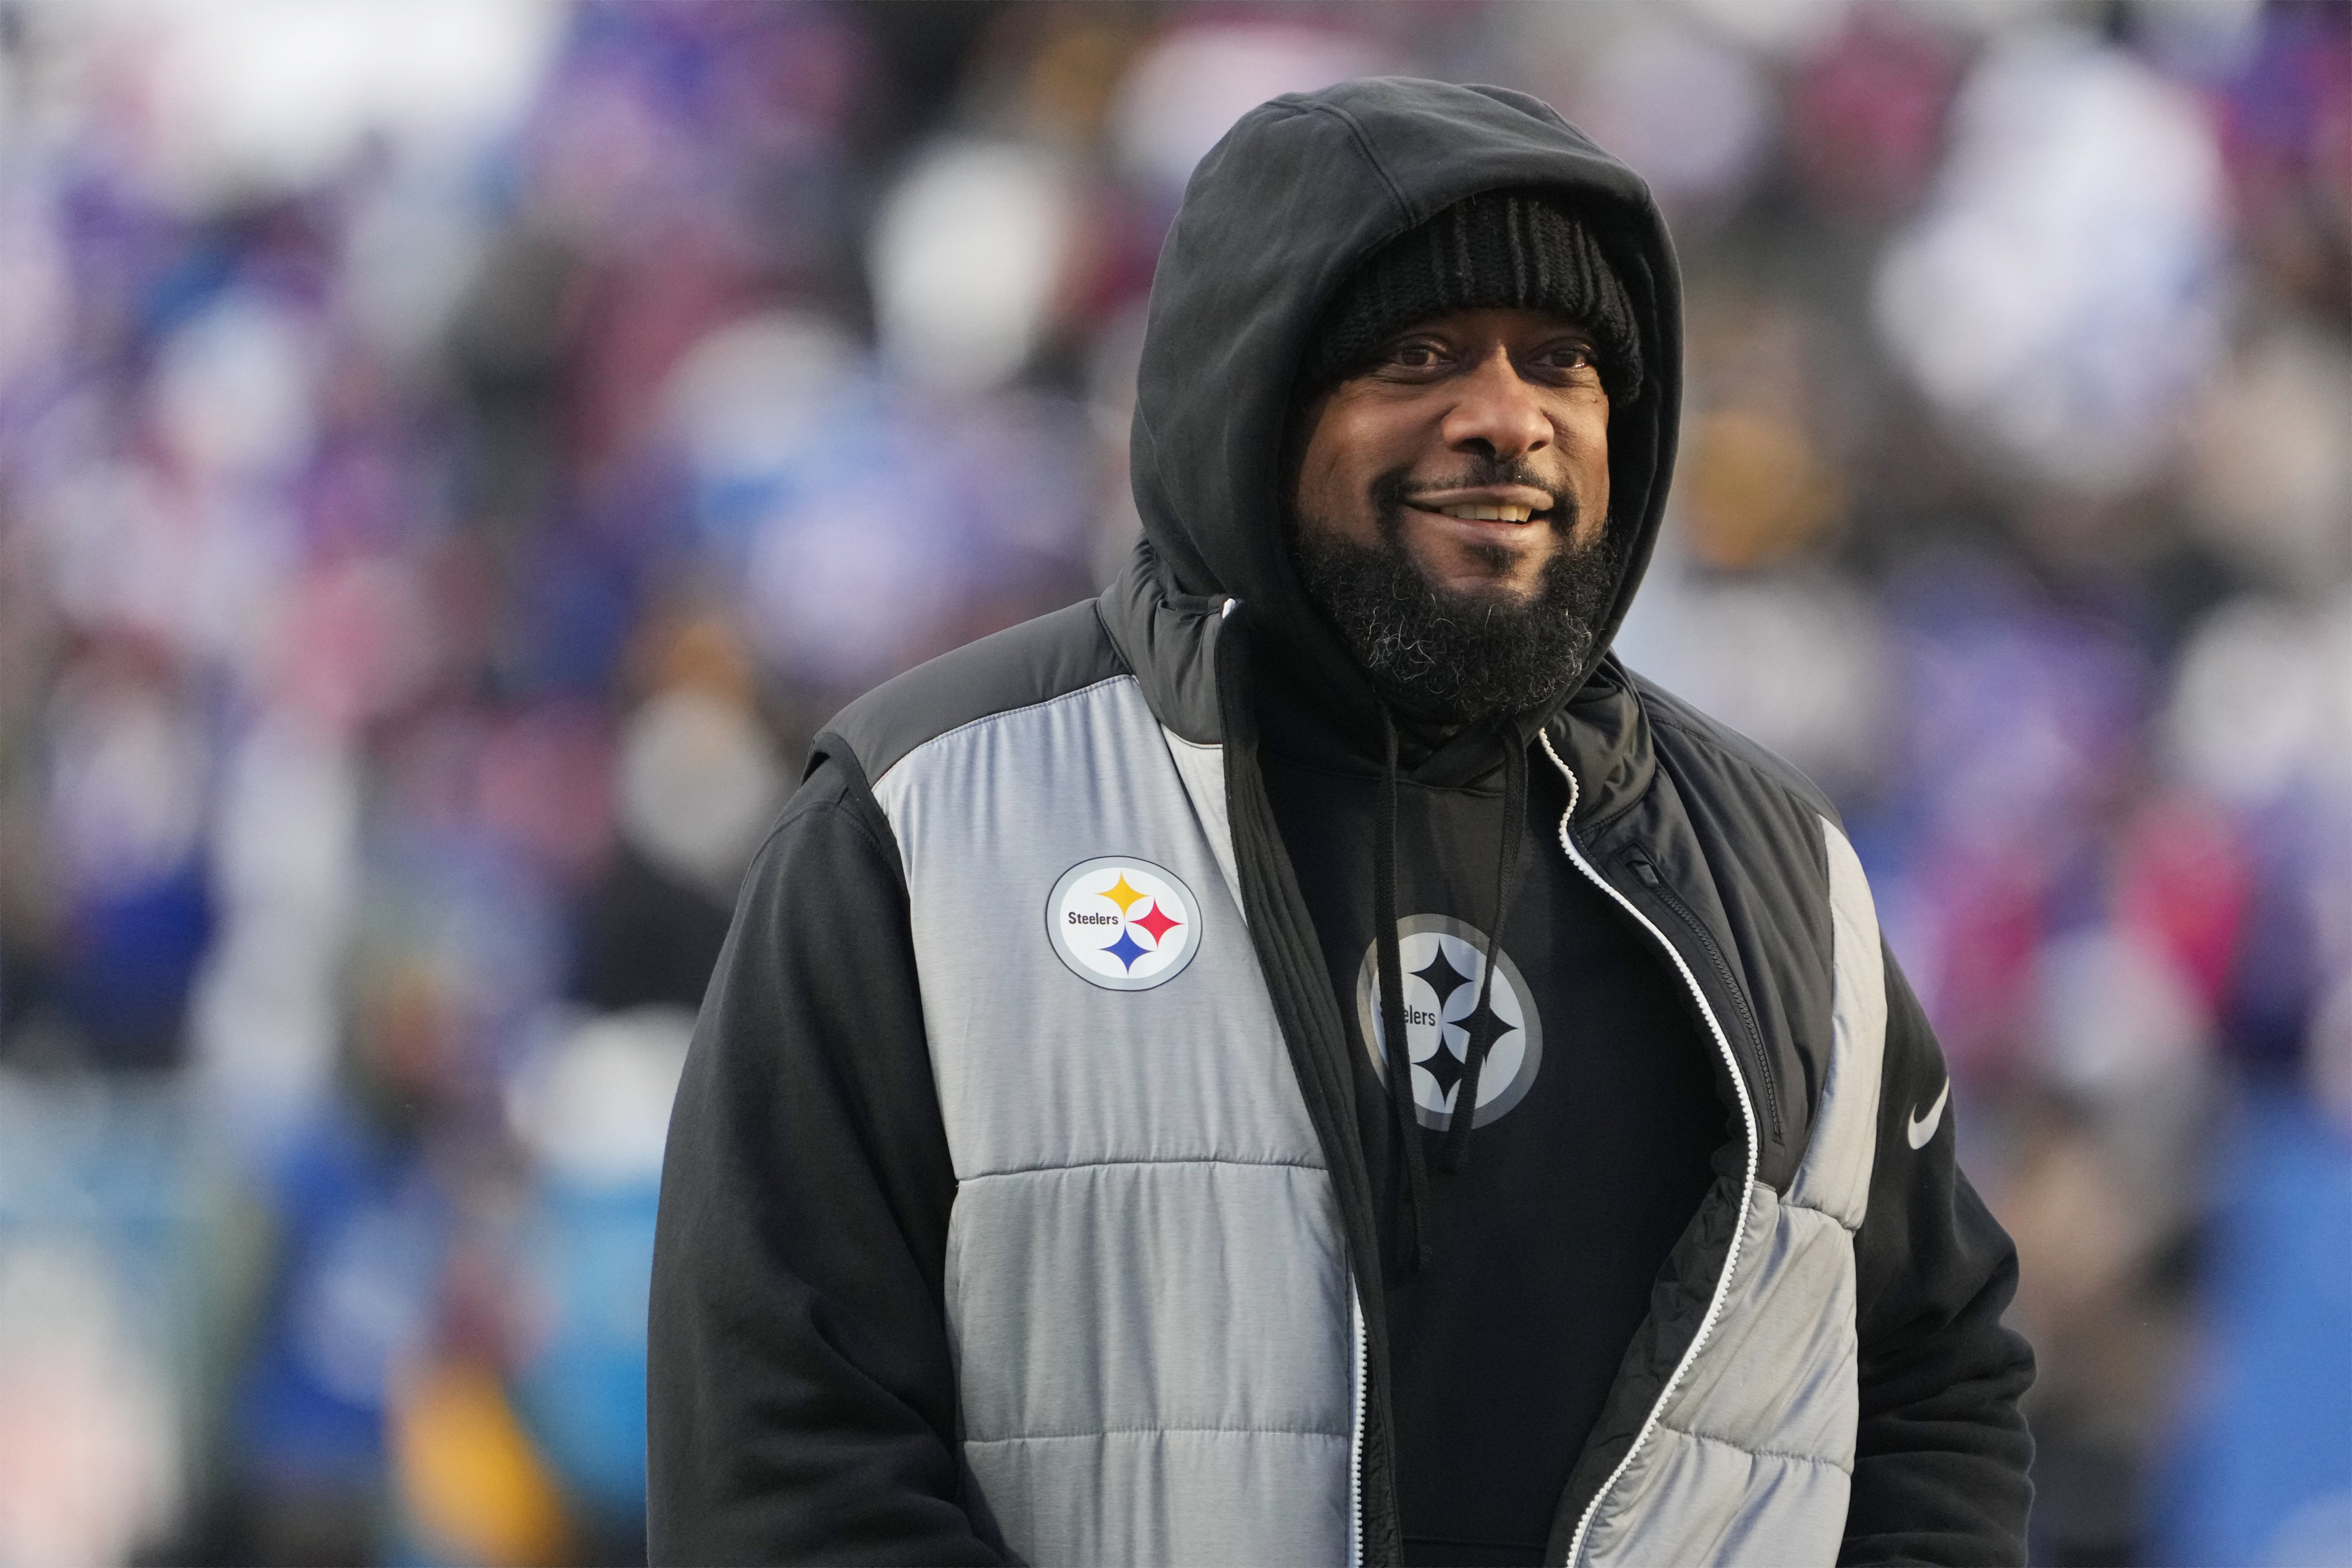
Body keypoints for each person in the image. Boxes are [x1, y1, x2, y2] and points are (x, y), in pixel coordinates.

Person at [648, 77, 2034, 1567]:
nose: (1508, 420)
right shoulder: (927, 820)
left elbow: (1925, 1377)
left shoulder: (1779, 875)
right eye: (1417, 353)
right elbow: (782, 1455)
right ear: (1251, 396)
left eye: (1562, 361)